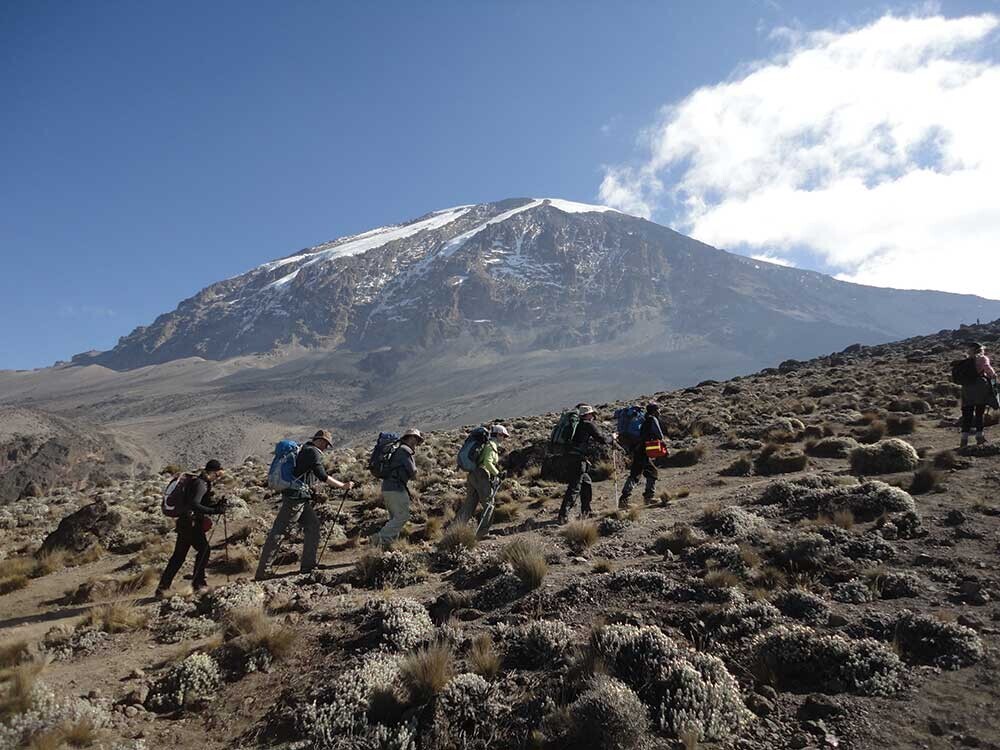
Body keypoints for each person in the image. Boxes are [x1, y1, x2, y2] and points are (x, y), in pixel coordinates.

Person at [255, 430, 353, 580]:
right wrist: (342, 486)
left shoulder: (305, 449)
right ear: (319, 441)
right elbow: (322, 475)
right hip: (295, 499)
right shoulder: (313, 452)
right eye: (326, 443)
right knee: (280, 532)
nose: (326, 447)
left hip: (300, 497)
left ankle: (308, 565)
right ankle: (263, 571)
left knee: (313, 526)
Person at [156, 459, 227, 598]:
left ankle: (162, 588)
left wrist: (217, 505)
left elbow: (199, 503)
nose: (217, 478)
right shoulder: (201, 484)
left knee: (179, 556)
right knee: (204, 551)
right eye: (217, 475)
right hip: (192, 524)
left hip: (185, 523)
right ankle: (198, 583)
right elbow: (195, 504)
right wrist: (215, 511)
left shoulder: (199, 481)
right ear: (212, 472)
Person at [558, 405, 614, 523]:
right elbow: (601, 439)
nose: (593, 416)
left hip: (571, 457)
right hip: (577, 460)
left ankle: (586, 511)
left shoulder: (577, 425)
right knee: (574, 487)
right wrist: (612, 438)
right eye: (592, 414)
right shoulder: (587, 424)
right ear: (588, 414)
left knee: (586, 482)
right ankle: (563, 516)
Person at [370, 428, 424, 548]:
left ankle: (388, 545)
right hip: (396, 488)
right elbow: (413, 472)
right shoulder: (405, 451)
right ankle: (379, 539)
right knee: (402, 516)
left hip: (388, 487)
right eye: (415, 438)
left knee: (394, 517)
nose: (416, 442)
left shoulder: (397, 450)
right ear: (410, 438)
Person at [454, 424, 509, 536]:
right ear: (498, 434)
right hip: (481, 475)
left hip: (473, 475)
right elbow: (488, 462)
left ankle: (454, 530)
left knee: (469, 504)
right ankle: (482, 533)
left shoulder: (486, 444)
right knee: (489, 504)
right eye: (503, 436)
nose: (504, 439)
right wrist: (498, 474)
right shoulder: (491, 445)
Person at [618, 402, 665, 509]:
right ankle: (646, 497)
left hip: (637, 449)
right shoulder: (652, 419)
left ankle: (626, 500)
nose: (659, 412)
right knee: (645, 473)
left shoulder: (644, 419)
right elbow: (660, 435)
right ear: (654, 410)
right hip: (643, 450)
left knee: (641, 472)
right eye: (658, 409)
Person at [960, 342, 997, 448]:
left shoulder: (967, 360)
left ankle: (964, 439)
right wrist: (994, 376)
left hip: (966, 388)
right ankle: (979, 437)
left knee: (967, 414)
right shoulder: (982, 358)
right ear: (980, 349)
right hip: (979, 386)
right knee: (979, 413)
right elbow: (987, 368)